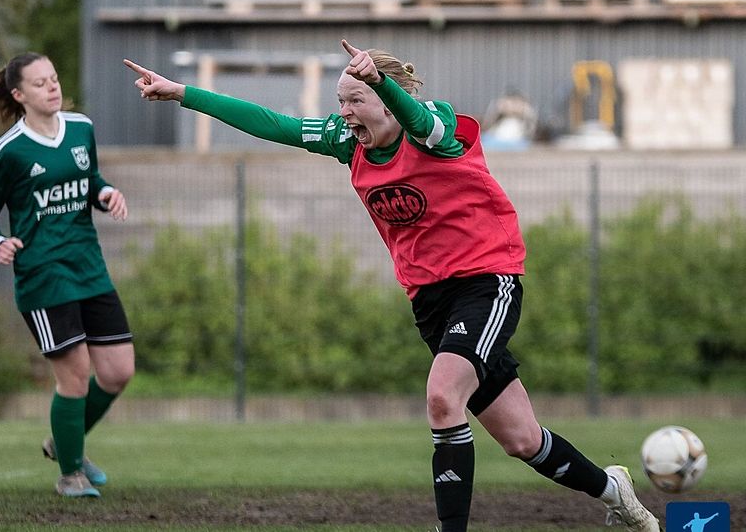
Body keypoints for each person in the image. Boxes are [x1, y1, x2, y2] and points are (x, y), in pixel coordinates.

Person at [123, 41, 660, 531]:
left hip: (486, 279)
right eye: (342, 100)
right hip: (430, 300)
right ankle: (614, 490)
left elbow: (419, 119)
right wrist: (183, 94)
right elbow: (273, 123)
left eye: (356, 98)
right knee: (522, 439)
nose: (345, 111)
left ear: (385, 99)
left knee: (441, 397)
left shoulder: (436, 128)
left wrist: (381, 83)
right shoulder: (346, 142)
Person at [0, 52, 135, 498]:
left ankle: (64, 442)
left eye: (54, 79)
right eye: (40, 84)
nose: (52, 87)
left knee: (117, 372)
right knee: (75, 374)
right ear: (19, 95)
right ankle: (70, 474)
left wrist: (107, 193)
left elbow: (90, 177)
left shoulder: (81, 128)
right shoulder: (8, 151)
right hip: (43, 276)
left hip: (88, 267)